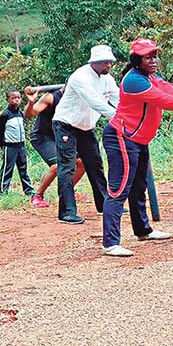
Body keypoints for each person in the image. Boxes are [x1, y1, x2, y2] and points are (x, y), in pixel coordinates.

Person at [101, 38, 173, 256]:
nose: (153, 60)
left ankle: (143, 230)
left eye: (155, 56)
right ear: (137, 60)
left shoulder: (150, 77)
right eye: (148, 57)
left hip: (138, 140)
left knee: (139, 187)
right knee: (119, 189)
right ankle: (111, 243)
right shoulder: (134, 81)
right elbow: (166, 100)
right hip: (122, 137)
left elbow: (172, 92)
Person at [52, 45, 119, 224]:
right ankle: (66, 212)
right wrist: (119, 117)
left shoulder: (107, 79)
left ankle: (104, 203)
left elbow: (117, 99)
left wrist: (128, 115)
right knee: (67, 166)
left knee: (95, 164)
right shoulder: (80, 77)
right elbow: (95, 102)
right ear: (95, 62)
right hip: (66, 124)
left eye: (110, 61)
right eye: (106, 62)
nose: (109, 65)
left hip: (86, 126)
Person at [24, 85, 90, 208]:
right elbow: (29, 114)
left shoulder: (76, 99)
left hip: (60, 136)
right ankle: (37, 196)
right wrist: (31, 103)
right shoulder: (50, 98)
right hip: (42, 137)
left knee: (81, 163)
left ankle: (67, 193)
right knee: (56, 165)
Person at [0, 90, 35, 195]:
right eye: (13, 98)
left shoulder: (20, 113)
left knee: (23, 168)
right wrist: (3, 144)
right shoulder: (5, 114)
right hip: (10, 146)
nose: (16, 100)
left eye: (18, 97)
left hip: (21, 145)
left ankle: (29, 190)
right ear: (8, 99)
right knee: (7, 168)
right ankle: (3, 190)